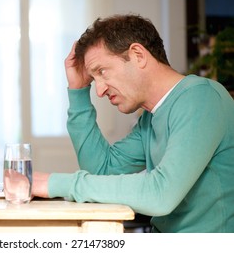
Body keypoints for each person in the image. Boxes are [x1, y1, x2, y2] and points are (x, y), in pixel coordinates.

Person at [32, 14, 234, 233]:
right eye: (94, 80)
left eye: (101, 71)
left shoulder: (201, 98)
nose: (99, 91)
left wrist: (53, 183)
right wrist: (79, 90)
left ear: (138, 55)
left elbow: (161, 194)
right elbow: (102, 170)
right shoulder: (151, 117)